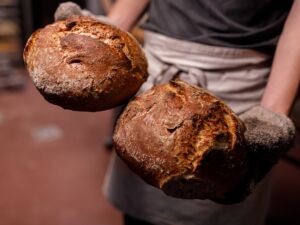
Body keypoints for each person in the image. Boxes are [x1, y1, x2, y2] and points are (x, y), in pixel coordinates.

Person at [56, 1, 299, 225]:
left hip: (238, 83)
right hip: (154, 78)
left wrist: (272, 111)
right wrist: (112, 27)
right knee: (141, 214)